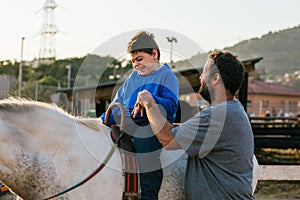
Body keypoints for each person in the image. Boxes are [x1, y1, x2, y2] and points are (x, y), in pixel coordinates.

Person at [133, 50, 255, 199]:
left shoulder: (217, 116)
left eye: (204, 72)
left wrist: (149, 102)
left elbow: (168, 139)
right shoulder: (233, 110)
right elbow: (186, 130)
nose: (200, 77)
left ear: (215, 78)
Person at [101, 31, 179, 200]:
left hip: (152, 126)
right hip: (128, 121)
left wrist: (150, 99)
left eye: (139, 59)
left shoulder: (167, 76)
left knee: (145, 148)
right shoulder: (132, 77)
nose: (135, 65)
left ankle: (149, 195)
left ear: (154, 54)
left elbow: (172, 105)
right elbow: (118, 102)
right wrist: (101, 121)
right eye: (132, 61)